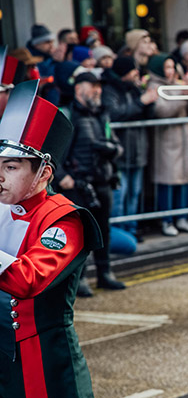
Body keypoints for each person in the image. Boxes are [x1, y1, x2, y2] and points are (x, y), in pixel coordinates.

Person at [0, 79, 102, 398]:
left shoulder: (65, 219)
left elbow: (27, 280)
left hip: (44, 364)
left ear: (43, 173)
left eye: (11, 167)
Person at [55, 71, 127, 293]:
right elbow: (54, 151)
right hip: (78, 185)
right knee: (80, 235)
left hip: (102, 181)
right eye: (93, 86)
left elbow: (117, 146)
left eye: (99, 86)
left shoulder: (101, 115)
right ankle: (80, 279)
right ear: (79, 89)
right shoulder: (67, 115)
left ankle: (105, 274)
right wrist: (62, 177)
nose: (98, 90)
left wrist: (111, 149)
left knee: (103, 230)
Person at [102, 56, 158, 240]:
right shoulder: (110, 90)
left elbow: (147, 114)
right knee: (121, 194)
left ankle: (131, 229)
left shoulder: (135, 89)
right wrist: (142, 101)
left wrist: (150, 100)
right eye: (133, 70)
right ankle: (119, 233)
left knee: (135, 193)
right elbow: (115, 114)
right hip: (121, 151)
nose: (137, 73)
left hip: (138, 148)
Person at [146, 53, 188, 237]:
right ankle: (167, 220)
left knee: (184, 180)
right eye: (167, 67)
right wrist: (184, 95)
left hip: (183, 140)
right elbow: (162, 110)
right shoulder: (154, 86)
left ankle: (183, 218)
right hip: (166, 142)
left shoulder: (178, 86)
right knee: (167, 182)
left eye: (172, 67)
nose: (171, 71)